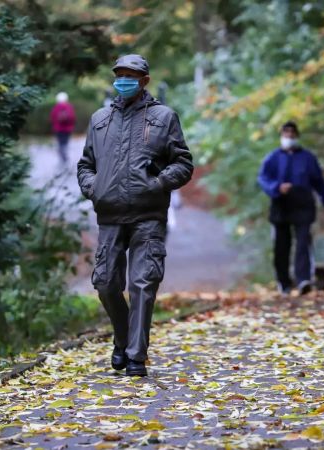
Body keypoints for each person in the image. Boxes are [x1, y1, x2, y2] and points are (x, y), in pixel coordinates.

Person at [77, 54, 194, 376]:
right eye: (119, 75)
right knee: (105, 284)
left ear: (144, 80)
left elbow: (183, 163)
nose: (123, 80)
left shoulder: (163, 117)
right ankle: (123, 338)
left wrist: (157, 183)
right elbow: (86, 165)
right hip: (110, 215)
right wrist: (95, 187)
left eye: (131, 75)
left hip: (148, 214)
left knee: (143, 283)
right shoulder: (100, 119)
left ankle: (135, 357)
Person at [258, 121, 324, 296]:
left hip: (303, 203)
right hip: (281, 204)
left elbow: (319, 182)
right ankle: (284, 282)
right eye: (286, 134)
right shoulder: (273, 158)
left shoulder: (308, 158)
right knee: (281, 246)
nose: (289, 137)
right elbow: (263, 179)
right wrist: (277, 187)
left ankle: (303, 280)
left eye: (292, 134)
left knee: (302, 243)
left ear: (297, 136)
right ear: (281, 136)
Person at [49, 92, 76, 164]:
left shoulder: (56, 107)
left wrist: (54, 126)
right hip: (67, 129)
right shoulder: (69, 107)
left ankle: (62, 157)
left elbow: (52, 118)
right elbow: (72, 118)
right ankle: (65, 157)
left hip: (58, 129)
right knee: (65, 143)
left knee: (60, 143)